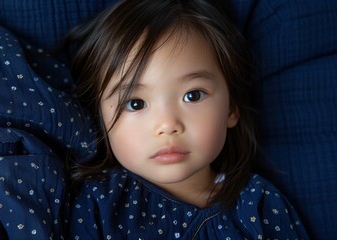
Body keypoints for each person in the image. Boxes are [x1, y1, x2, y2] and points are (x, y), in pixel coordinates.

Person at [66, 0, 309, 239]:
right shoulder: (99, 203)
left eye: (193, 96)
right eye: (136, 103)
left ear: (231, 109)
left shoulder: (259, 205)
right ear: (99, 117)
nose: (168, 125)